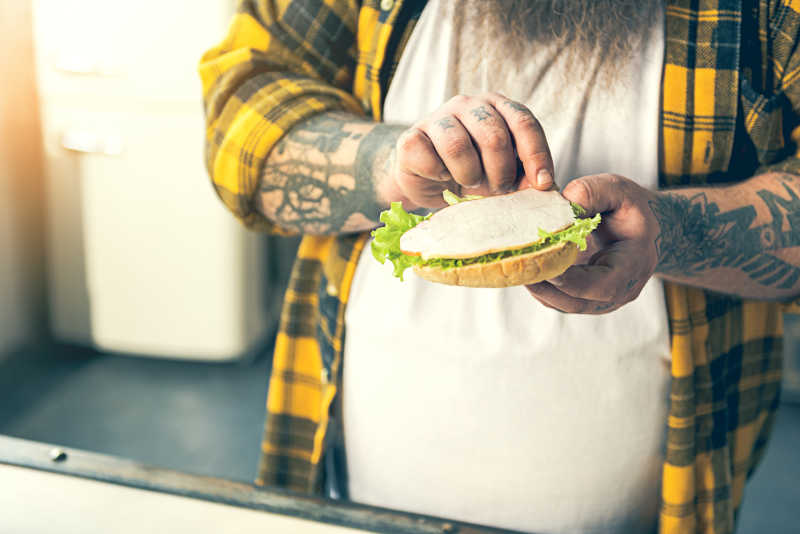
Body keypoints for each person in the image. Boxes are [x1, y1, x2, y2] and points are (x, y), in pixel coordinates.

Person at [199, 1, 800, 532]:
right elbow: (239, 124)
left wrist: (674, 231)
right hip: (350, 485)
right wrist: (392, 167)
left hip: (664, 500)